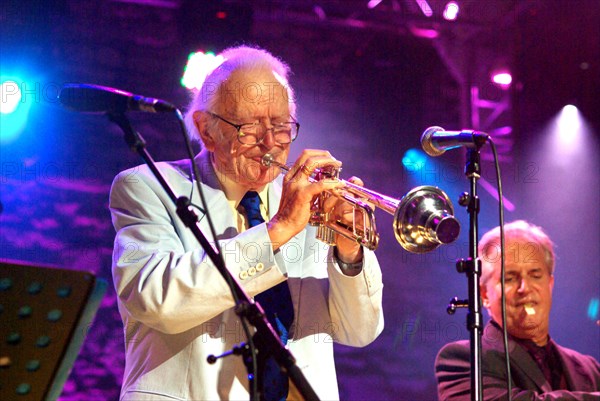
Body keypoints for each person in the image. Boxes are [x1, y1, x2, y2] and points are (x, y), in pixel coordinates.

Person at [109, 45, 384, 401]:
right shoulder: (148, 187)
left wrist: (349, 251)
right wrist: (278, 229)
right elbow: (154, 299)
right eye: (249, 127)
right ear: (206, 130)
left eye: (281, 126)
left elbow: (358, 331)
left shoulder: (310, 199)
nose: (269, 143)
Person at [435, 220, 600, 400]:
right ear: (484, 295)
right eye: (510, 278)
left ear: (550, 284)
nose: (525, 288)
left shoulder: (590, 368)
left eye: (535, 276)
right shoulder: (464, 359)